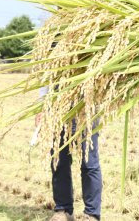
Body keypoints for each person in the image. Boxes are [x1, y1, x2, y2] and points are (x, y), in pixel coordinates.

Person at [36, 86, 103, 221]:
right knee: (59, 162)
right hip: (58, 107)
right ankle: (63, 210)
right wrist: (41, 106)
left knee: (89, 163)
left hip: (87, 106)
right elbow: (47, 76)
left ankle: (92, 214)